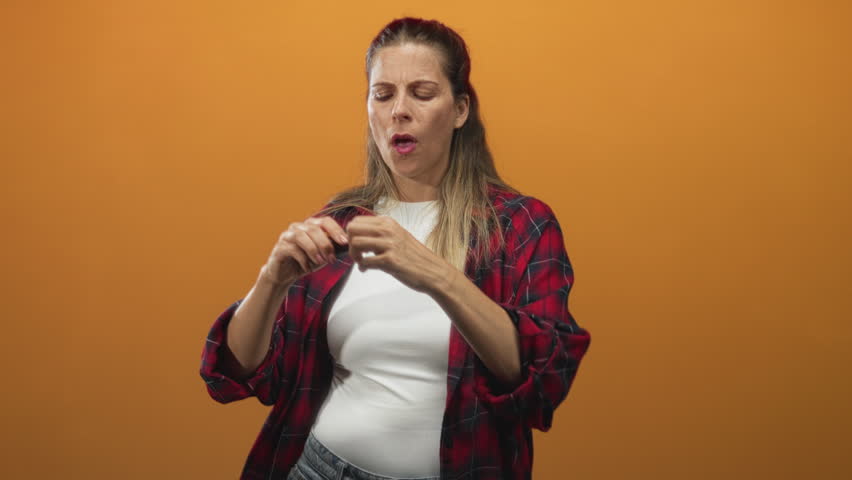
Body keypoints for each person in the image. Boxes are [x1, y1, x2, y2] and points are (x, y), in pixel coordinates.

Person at [199, 17, 591, 480]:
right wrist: (272, 280)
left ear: (460, 109)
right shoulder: (342, 222)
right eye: (382, 94)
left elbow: (538, 377)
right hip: (318, 469)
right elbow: (242, 373)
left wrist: (434, 273)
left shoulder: (521, 225)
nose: (398, 111)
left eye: (421, 94)